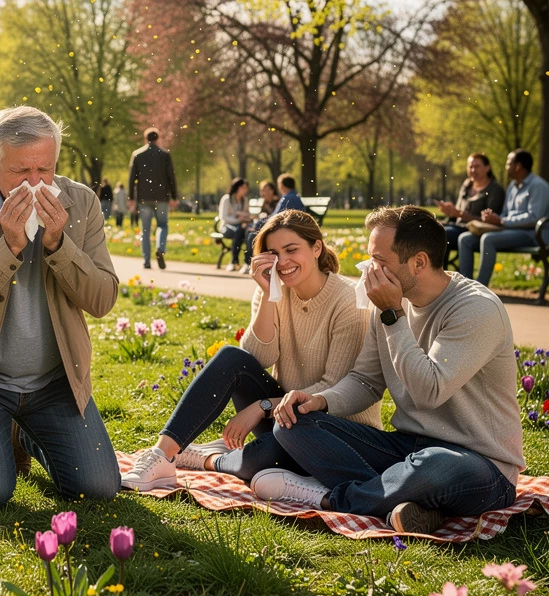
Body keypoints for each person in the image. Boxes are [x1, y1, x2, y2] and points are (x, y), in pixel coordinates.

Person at [247, 206, 523, 536]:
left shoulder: (475, 309)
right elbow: (365, 381)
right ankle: (409, 505)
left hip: (478, 463)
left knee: (434, 466)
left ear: (418, 263)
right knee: (292, 425)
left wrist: (393, 315)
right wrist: (319, 401)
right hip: (407, 447)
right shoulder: (388, 302)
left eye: (379, 261)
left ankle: (327, 497)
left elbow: (429, 392)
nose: (368, 271)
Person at [0, 105, 122, 506]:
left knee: (99, 488)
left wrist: (57, 244)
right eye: (21, 172)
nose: (35, 183)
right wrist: (9, 247)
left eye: (44, 170)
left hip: (54, 382)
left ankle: (23, 434)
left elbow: (102, 299)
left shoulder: (81, 204)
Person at [122, 210, 379, 491]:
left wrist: (262, 406)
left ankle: (210, 458)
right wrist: (270, 294)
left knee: (263, 460)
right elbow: (257, 359)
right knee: (231, 357)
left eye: (292, 249)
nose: (283, 262)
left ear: (316, 248)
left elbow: (332, 390)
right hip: (283, 417)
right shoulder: (272, 287)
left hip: (329, 428)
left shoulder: (349, 301)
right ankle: (163, 454)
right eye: (273, 253)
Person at [456, 149, 549, 286]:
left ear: (517, 166)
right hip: (509, 230)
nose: (506, 167)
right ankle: (464, 287)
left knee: (488, 239)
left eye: (508, 163)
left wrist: (501, 221)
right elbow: (506, 213)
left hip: (532, 234)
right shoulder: (513, 186)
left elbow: (534, 218)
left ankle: (480, 288)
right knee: (465, 239)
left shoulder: (538, 186)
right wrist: (493, 218)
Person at [128, 127, 179, 270]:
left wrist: (131, 197)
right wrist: (174, 196)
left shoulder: (137, 154)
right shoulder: (165, 155)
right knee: (162, 224)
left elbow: (132, 178)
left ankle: (146, 261)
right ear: (158, 138)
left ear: (145, 139)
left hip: (144, 198)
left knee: (145, 230)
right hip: (162, 197)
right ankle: (160, 248)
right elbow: (171, 177)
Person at [434, 153, 505, 251]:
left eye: (477, 167)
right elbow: (457, 212)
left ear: (487, 168)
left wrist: (460, 214)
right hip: (457, 226)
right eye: (470, 167)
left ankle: (437, 266)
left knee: (441, 235)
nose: (473, 170)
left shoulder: (495, 190)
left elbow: (490, 221)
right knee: (432, 230)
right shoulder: (467, 185)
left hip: (475, 231)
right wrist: (450, 211)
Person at [218, 178, 253, 272]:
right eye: (244, 187)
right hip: (226, 227)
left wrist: (240, 214)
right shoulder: (226, 199)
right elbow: (224, 217)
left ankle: (242, 262)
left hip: (240, 227)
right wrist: (238, 219)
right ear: (237, 187)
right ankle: (234, 262)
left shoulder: (244, 200)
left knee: (246, 232)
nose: (246, 190)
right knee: (238, 231)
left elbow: (247, 214)